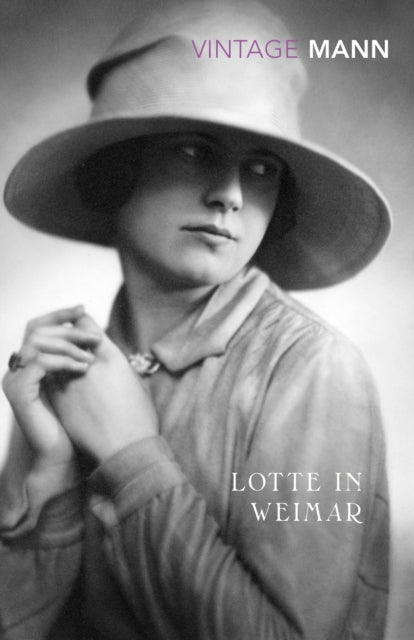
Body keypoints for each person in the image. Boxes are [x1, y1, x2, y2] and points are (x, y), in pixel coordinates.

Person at [0, 1, 390, 639]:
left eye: (261, 168)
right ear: (116, 170)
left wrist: (131, 459)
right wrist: (50, 482)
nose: (230, 195)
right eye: (192, 149)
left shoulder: (312, 369)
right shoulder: (65, 365)